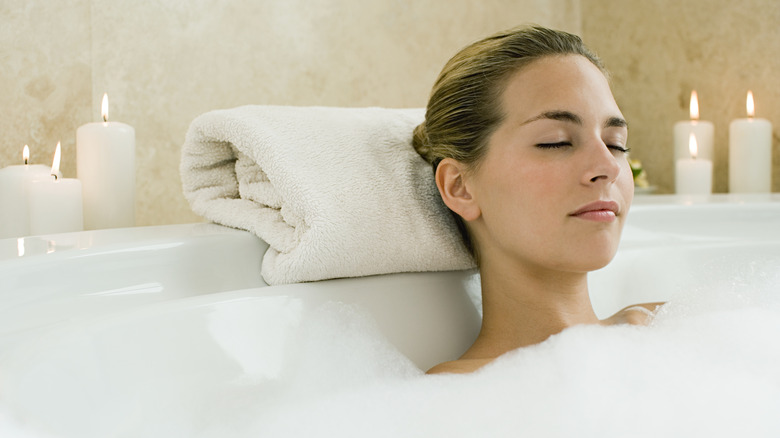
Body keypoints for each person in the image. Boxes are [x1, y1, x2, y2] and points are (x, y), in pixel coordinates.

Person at [413, 25, 662, 374]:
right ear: (460, 187)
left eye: (615, 143)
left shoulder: (673, 330)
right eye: (556, 141)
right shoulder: (462, 394)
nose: (608, 166)